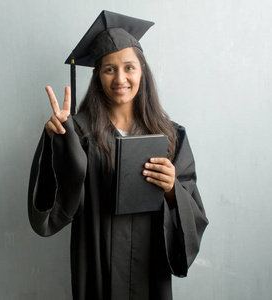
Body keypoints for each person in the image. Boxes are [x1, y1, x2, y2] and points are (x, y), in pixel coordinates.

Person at [28, 10, 208, 300]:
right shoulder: (78, 132)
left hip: (150, 266)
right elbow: (63, 201)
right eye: (109, 69)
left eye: (129, 67)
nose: (120, 78)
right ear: (98, 76)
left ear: (142, 71)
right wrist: (57, 143)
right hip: (97, 262)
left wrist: (173, 189)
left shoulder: (172, 136)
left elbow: (191, 207)